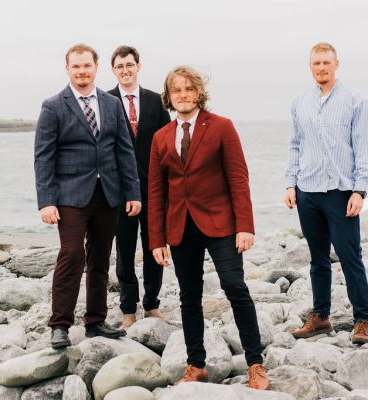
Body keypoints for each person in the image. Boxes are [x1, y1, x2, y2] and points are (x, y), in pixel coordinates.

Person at [148, 65, 268, 389]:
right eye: (177, 90)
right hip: (180, 227)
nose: (183, 95)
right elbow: (156, 192)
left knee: (235, 287)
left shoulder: (221, 127)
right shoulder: (160, 138)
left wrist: (245, 226)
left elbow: (238, 179)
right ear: (169, 97)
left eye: (188, 89)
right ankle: (196, 364)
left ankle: (255, 362)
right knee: (189, 297)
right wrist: (156, 239)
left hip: (221, 224)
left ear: (198, 93)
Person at [34, 43, 142, 349]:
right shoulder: (53, 106)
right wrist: (46, 200)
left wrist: (132, 192)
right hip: (69, 195)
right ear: (67, 69)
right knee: (71, 254)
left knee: (99, 258)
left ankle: (95, 321)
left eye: (87, 66)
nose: (82, 71)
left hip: (108, 193)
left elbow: (124, 150)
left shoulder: (111, 103)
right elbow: (43, 157)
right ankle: (59, 325)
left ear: (95, 68)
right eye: (76, 66)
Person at [285, 42, 368, 344]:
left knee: (350, 256)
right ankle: (320, 316)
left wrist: (359, 190)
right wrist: (290, 183)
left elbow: (363, 149)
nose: (321, 68)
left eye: (326, 62)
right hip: (307, 190)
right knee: (317, 258)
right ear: (310, 67)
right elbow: (295, 145)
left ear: (336, 64)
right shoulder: (299, 102)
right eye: (315, 63)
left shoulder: (355, 101)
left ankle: (363, 319)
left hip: (340, 192)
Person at [108, 45, 171, 329]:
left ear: (138, 66)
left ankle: (152, 304)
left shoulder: (156, 101)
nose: (125, 70)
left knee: (154, 247)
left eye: (129, 64)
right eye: (120, 66)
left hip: (154, 188)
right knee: (123, 251)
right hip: (120, 192)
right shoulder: (105, 101)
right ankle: (128, 309)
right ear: (113, 70)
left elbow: (167, 144)